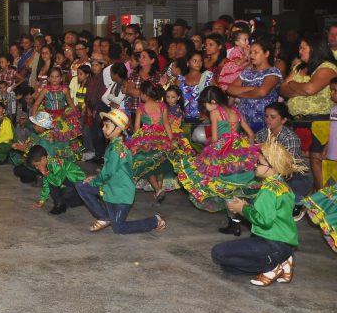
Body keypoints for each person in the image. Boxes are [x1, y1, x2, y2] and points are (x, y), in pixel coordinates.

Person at [211, 141, 303, 286]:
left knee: (218, 253)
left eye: (259, 163)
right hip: (284, 244)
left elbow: (264, 221)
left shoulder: (268, 190)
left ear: (273, 167)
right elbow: (275, 214)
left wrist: (243, 209)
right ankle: (283, 260)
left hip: (272, 243)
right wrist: (246, 206)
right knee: (228, 267)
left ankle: (272, 266)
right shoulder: (283, 186)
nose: (255, 165)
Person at [176, 86, 258, 235]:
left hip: (223, 154)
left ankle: (234, 224)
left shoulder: (215, 113)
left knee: (221, 186)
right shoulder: (236, 111)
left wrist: (209, 155)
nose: (204, 108)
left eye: (204, 104)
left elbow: (214, 139)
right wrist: (250, 153)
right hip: (240, 154)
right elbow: (251, 134)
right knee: (237, 188)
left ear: (213, 101)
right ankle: (237, 223)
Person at [76, 107, 167, 234]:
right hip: (110, 189)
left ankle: (155, 221)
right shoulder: (113, 146)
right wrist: (96, 178)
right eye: (103, 125)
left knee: (119, 228)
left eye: (107, 126)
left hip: (121, 194)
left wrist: (95, 181)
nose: (103, 128)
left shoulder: (117, 149)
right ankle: (103, 217)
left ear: (118, 129)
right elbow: (109, 170)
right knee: (82, 185)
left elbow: (108, 173)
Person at [280, 36, 337, 190]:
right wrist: (301, 88)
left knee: (317, 161)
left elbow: (310, 89)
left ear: (314, 48)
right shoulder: (299, 67)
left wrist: (293, 84)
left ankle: (323, 199)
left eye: (302, 48)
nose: (299, 51)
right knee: (301, 162)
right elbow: (283, 89)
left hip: (319, 123)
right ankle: (306, 196)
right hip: (299, 121)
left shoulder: (327, 67)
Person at [124, 81, 175, 203]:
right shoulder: (162, 106)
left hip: (146, 140)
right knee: (160, 163)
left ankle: (157, 189)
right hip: (161, 138)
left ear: (144, 94)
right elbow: (166, 123)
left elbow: (137, 128)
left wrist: (135, 141)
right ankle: (160, 187)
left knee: (147, 165)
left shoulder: (141, 108)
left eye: (140, 93)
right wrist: (171, 139)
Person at [227, 40, 282, 133]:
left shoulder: (273, 72)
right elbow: (230, 89)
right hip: (243, 122)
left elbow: (262, 92)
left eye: (256, 52)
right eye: (251, 52)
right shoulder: (247, 71)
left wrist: (239, 94)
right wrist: (252, 89)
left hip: (264, 122)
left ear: (267, 54)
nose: (252, 55)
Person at [26, 144, 85, 215]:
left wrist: (46, 174)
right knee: (64, 196)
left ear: (43, 158)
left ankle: (59, 205)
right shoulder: (47, 164)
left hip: (78, 184)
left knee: (53, 182)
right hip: (69, 184)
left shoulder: (55, 164)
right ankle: (80, 199)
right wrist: (42, 200)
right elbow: (46, 184)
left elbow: (57, 182)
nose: (36, 168)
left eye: (37, 165)